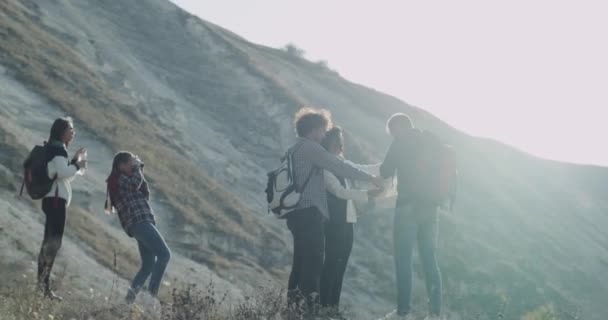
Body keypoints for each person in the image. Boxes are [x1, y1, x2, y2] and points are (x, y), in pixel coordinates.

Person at [286, 108, 384, 316]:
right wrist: (371, 180)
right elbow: (339, 167)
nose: (323, 136)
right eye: (322, 131)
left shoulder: (295, 148)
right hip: (309, 213)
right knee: (313, 264)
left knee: (301, 262)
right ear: (313, 130)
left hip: (295, 213)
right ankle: (311, 312)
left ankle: (293, 308)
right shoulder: (311, 147)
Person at [380, 113, 444, 320]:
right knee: (429, 260)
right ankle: (434, 313)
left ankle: (403, 312)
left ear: (398, 128)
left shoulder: (401, 141)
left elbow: (385, 171)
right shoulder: (431, 141)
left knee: (403, 259)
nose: (393, 137)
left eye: (392, 133)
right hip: (432, 208)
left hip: (408, 206)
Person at [319, 126, 384, 316]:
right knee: (331, 264)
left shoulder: (340, 163)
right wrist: (367, 193)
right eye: (337, 141)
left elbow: (360, 169)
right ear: (328, 143)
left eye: (341, 140)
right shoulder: (325, 167)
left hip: (348, 222)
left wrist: (387, 167)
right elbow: (339, 191)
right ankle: (323, 307)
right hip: (334, 223)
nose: (341, 144)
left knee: (341, 266)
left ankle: (333, 309)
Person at [105, 152, 171, 304]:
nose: (134, 166)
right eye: (131, 163)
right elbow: (136, 183)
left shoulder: (125, 179)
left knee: (148, 265)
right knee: (164, 255)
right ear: (121, 166)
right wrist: (137, 168)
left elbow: (142, 188)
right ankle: (150, 297)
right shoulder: (119, 179)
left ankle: (128, 301)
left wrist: (136, 168)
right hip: (139, 222)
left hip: (140, 223)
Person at [38, 117, 87, 301]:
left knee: (49, 242)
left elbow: (62, 175)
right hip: (56, 201)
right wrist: (76, 165)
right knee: (52, 243)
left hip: (53, 199)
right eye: (70, 129)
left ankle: (43, 287)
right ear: (61, 131)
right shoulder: (58, 148)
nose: (73, 132)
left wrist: (74, 162)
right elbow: (61, 173)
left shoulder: (56, 148)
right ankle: (44, 288)